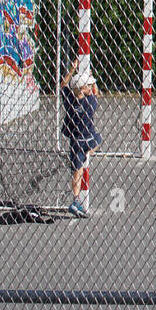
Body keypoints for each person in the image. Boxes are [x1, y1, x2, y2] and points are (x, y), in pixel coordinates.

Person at [61, 60, 102, 216]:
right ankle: (90, 152)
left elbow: (63, 85)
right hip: (88, 138)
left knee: (77, 172)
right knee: (99, 139)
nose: (90, 88)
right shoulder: (90, 103)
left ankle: (76, 199)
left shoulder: (69, 102)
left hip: (75, 141)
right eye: (88, 86)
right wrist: (92, 77)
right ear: (83, 88)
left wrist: (72, 69)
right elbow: (95, 93)